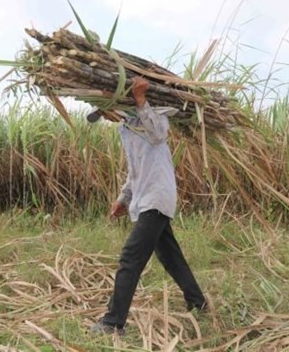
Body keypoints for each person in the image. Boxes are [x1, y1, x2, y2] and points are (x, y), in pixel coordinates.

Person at [89, 77, 207, 335]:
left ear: (116, 103)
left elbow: (158, 135)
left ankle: (113, 322)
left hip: (157, 197)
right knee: (170, 256)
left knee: (130, 258)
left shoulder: (153, 116)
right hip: (143, 199)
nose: (106, 117)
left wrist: (141, 100)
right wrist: (123, 198)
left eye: (104, 110)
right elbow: (135, 171)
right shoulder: (126, 128)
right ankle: (198, 302)